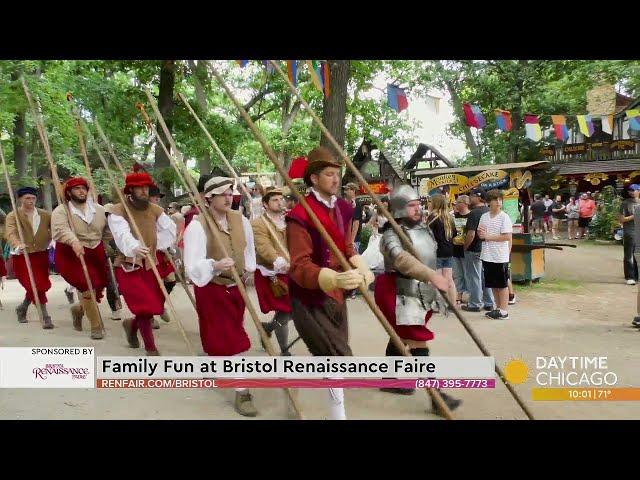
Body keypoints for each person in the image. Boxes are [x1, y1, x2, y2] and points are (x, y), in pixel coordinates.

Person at [286, 146, 373, 420]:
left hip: (337, 296)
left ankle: (295, 390)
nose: (336, 180)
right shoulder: (300, 215)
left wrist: (362, 266)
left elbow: (347, 246)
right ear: (314, 178)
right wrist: (333, 277)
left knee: (332, 359)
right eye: (329, 174)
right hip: (310, 296)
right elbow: (299, 265)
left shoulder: (345, 209)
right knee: (337, 357)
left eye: (337, 174)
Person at [374, 185, 460, 409]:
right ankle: (437, 397)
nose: (418, 209)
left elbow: (430, 257)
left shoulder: (422, 229)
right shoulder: (391, 235)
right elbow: (402, 260)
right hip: (396, 289)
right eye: (412, 206)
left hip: (418, 288)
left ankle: (391, 379)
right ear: (401, 209)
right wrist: (431, 275)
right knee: (417, 340)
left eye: (418, 205)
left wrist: (439, 283)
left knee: (401, 335)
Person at [183, 176, 258, 417]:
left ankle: (214, 362)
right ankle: (242, 390)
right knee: (233, 340)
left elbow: (248, 248)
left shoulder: (240, 219)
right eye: (223, 194)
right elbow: (192, 266)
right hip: (211, 288)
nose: (229, 197)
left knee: (228, 333)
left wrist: (249, 270)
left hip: (236, 287)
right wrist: (214, 265)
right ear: (208, 198)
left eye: (230, 193)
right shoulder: (197, 225)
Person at [107, 167, 176, 356]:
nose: (144, 191)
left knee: (154, 305)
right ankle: (151, 347)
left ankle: (132, 325)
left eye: (146, 187)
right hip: (128, 265)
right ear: (130, 190)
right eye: (139, 188)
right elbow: (122, 235)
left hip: (151, 264)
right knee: (145, 307)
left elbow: (170, 230)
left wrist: (155, 245)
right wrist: (135, 247)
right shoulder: (117, 210)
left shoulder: (155, 209)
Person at [51, 177, 110, 339]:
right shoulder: (62, 211)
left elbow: (106, 232)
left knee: (98, 285)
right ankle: (96, 325)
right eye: (77, 188)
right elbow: (60, 230)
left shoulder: (98, 209)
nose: (81, 191)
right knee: (87, 284)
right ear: (69, 192)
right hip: (71, 253)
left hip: (95, 250)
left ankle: (78, 310)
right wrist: (73, 241)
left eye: (83, 188)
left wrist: (109, 246)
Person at [4, 186, 53, 328]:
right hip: (22, 255)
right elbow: (10, 233)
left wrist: (53, 239)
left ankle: (22, 307)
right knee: (34, 285)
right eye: (27, 198)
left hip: (41, 254)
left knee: (41, 284)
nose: (31, 201)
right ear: (20, 199)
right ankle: (45, 316)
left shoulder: (45, 214)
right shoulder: (13, 215)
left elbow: (54, 229)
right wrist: (18, 244)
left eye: (33, 198)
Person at [251, 187, 292, 356]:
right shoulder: (258, 223)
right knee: (286, 310)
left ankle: (267, 327)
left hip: (291, 271)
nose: (280, 202)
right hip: (271, 273)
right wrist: (278, 260)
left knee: (292, 309)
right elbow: (263, 247)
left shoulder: (289, 221)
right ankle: (284, 351)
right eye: (275, 200)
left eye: (281, 199)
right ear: (265, 204)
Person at [477, 189, 513, 320]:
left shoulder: (504, 217)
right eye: (495, 199)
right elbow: (481, 233)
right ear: (488, 202)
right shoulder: (484, 217)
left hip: (500, 256)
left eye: (500, 199)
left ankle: (504, 311)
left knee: (502, 284)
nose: (498, 202)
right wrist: (482, 235)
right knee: (493, 284)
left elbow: (507, 236)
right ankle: (497, 308)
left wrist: (487, 236)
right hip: (487, 254)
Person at [462, 189, 494, 312]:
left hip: (474, 248)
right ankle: (489, 302)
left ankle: (475, 303)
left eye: (472, 195)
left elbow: (471, 234)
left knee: (474, 277)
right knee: (485, 276)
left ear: (479, 197)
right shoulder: (488, 211)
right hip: (486, 248)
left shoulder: (474, 213)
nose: (469, 197)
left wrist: (465, 247)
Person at [148, 184, 176, 327]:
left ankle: (159, 304)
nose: (157, 199)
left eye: (158, 197)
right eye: (155, 196)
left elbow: (168, 230)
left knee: (170, 280)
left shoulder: (161, 212)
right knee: (151, 284)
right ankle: (150, 315)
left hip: (162, 251)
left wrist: (169, 247)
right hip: (148, 252)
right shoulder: (141, 212)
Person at [426, 193, 456, 306]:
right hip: (448, 250)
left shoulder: (432, 218)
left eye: (430, 202)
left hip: (436, 252)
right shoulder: (449, 217)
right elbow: (454, 234)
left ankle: (438, 304)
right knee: (449, 279)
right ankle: (453, 304)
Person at [619, 184, 640, 285]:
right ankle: (630, 276)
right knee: (629, 254)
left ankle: (637, 275)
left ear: (638, 191)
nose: (631, 192)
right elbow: (622, 219)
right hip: (630, 231)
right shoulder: (625, 203)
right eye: (630, 190)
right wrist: (635, 215)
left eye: (633, 190)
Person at [452, 195, 470, 306]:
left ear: (464, 203)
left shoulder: (471, 215)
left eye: (458, 202)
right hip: (455, 248)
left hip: (467, 249)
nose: (456, 205)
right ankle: (459, 293)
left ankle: (471, 295)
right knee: (458, 274)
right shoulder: (454, 216)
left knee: (468, 273)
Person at [342, 182, 363, 253]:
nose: (345, 191)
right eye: (345, 189)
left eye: (347, 189)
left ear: (353, 191)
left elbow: (356, 223)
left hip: (354, 240)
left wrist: (352, 241)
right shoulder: (346, 204)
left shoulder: (356, 204)